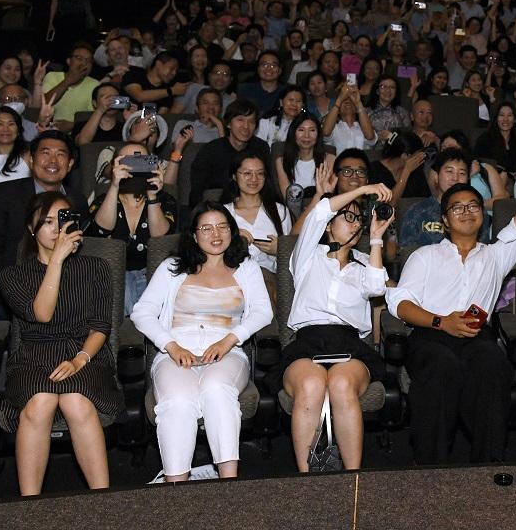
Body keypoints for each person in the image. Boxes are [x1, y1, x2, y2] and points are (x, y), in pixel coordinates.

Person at [387, 138, 516, 464]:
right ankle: (431, 469)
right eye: (457, 207)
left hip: (476, 335)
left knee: (493, 365)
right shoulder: (424, 256)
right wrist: (442, 322)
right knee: (441, 368)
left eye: (473, 205)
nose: (467, 212)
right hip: (431, 334)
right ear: (444, 220)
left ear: (482, 216)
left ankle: (486, 468)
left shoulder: (496, 255)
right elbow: (399, 303)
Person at [131, 202, 272, 481]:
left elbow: (262, 312)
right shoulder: (173, 267)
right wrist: (170, 345)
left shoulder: (246, 267)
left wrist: (229, 341)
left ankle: (228, 483)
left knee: (217, 389)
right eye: (206, 228)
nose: (215, 234)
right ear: (194, 235)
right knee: (178, 401)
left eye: (222, 226)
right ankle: (177, 488)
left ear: (232, 231)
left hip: (227, 352)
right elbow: (141, 312)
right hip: (175, 352)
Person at [0, 193, 120, 496]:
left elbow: (101, 326)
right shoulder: (12, 275)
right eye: (47, 222)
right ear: (31, 228)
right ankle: (30, 504)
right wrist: (56, 261)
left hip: (85, 352)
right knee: (40, 401)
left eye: (63, 220)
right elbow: (42, 313)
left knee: (75, 400)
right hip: (33, 356)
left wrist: (79, 359)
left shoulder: (96, 267)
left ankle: (102, 500)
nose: (56, 229)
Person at [281, 182, 394, 471]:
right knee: (311, 383)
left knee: (342, 384)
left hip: (349, 344)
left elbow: (376, 287)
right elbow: (319, 211)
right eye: (348, 216)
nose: (355, 223)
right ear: (330, 226)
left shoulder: (366, 263)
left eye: (359, 219)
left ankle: (352, 478)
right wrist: (361, 190)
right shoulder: (307, 257)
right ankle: (307, 477)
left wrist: (377, 238)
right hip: (308, 340)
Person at [0, 130, 86, 319]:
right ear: (31, 160)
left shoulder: (77, 199)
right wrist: (20, 286)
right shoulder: (3, 194)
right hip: (7, 293)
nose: (53, 161)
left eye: (60, 155)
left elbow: (80, 249)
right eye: (45, 153)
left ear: (70, 164)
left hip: (64, 288)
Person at [87, 143, 177, 313]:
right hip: (112, 272)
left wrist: (152, 195)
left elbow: (160, 237)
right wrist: (114, 186)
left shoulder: (165, 200)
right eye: (127, 162)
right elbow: (101, 230)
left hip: (152, 272)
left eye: (141, 161)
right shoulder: (103, 200)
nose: (134, 167)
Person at [187, 99, 270, 208]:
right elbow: (197, 191)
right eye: (240, 120)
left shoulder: (260, 148)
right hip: (217, 207)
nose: (246, 126)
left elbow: (268, 184)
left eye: (251, 122)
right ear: (228, 124)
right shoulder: (211, 150)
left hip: (254, 205)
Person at [224, 151, 291, 273]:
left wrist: (280, 251)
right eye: (247, 173)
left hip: (270, 278)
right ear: (234, 176)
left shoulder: (280, 211)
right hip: (233, 276)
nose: (254, 179)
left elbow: (293, 252)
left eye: (260, 173)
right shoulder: (223, 213)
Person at [38, 42, 100, 130]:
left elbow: (93, 116)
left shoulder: (94, 84)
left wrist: (72, 125)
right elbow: (44, 104)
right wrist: (68, 81)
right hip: (49, 130)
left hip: (78, 133)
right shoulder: (52, 76)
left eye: (88, 60)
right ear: (68, 61)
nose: (84, 63)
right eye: (79, 58)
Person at [321, 82, 376, 152]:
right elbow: (325, 133)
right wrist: (340, 99)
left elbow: (370, 137)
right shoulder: (334, 128)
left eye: (351, 99)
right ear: (338, 109)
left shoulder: (364, 128)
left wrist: (358, 102)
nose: (348, 101)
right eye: (344, 99)